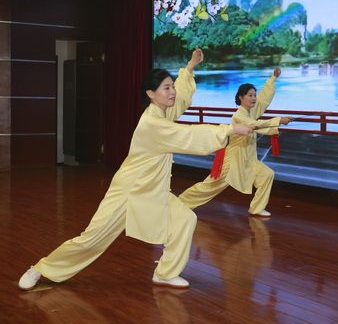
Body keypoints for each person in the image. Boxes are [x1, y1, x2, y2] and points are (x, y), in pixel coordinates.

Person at [18, 48, 254, 291]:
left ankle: (166, 273)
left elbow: (181, 97)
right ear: (151, 94)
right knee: (92, 240)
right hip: (129, 192)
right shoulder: (152, 123)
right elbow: (188, 135)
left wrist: (190, 66)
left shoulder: (163, 112)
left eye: (171, 86)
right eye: (166, 88)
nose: (172, 91)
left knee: (185, 219)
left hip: (153, 191)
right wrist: (230, 129)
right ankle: (41, 268)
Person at [179, 68, 291, 217]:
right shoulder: (239, 116)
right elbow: (254, 125)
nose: (254, 98)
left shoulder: (252, 111)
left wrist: (273, 78)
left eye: (254, 95)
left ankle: (257, 208)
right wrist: (279, 120)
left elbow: (264, 99)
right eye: (250, 95)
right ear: (241, 98)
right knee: (210, 186)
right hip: (233, 161)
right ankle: (181, 203)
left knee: (267, 175)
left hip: (248, 160)